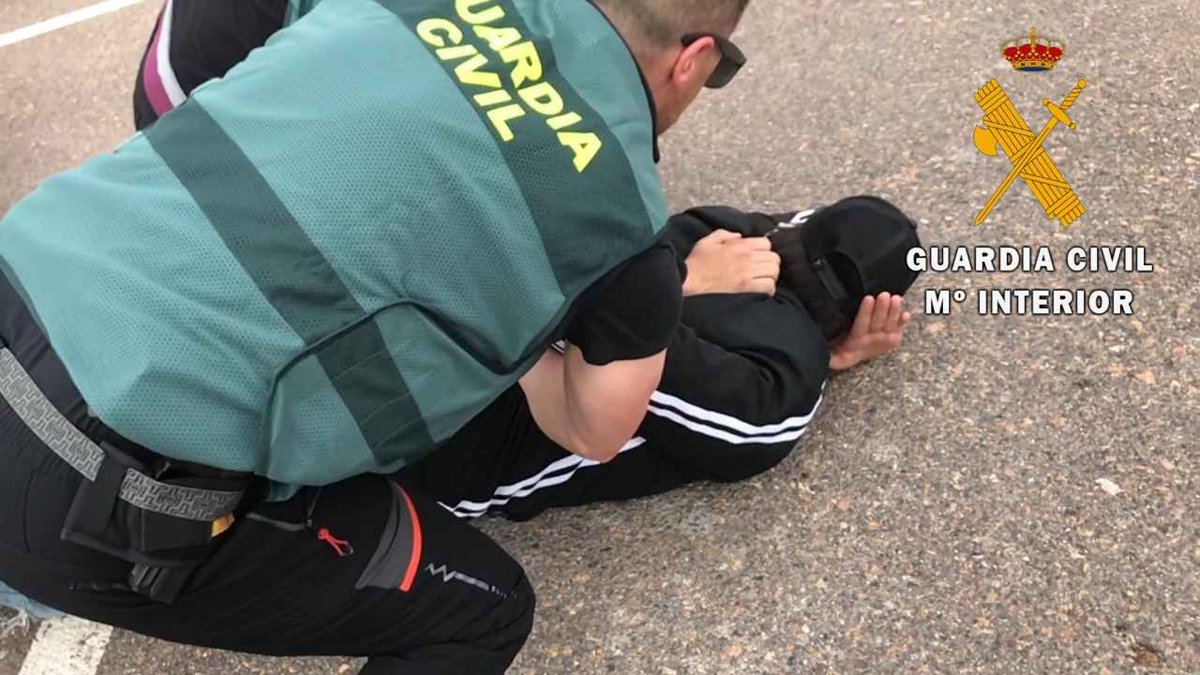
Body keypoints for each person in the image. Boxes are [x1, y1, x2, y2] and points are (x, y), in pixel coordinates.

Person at [0, 3, 921, 675]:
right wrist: (540, 297)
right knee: (483, 613)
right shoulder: (620, 226)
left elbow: (194, 81)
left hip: (20, 285)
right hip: (91, 486)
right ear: (695, 59)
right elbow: (593, 427)